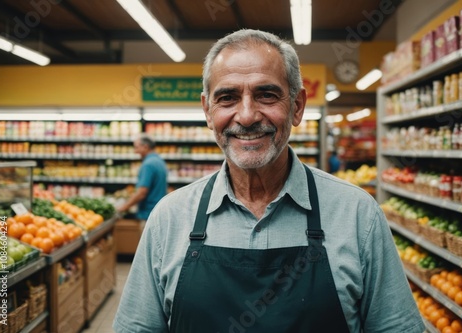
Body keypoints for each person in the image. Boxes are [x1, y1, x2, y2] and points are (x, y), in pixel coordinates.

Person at [113, 29, 425, 333]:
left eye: (266, 95)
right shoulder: (168, 219)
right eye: (228, 97)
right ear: (208, 111)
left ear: (297, 106)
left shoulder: (358, 215)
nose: (247, 116)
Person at [117, 134, 168, 223]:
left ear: (145, 147)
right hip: (158, 210)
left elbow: (142, 193)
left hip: (148, 214)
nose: (135, 151)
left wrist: (123, 207)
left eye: (136, 147)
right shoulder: (159, 161)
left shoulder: (148, 164)